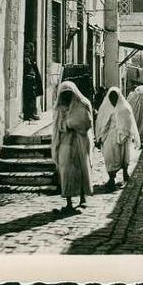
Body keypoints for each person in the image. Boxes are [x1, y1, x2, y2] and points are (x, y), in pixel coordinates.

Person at [52, 80, 94, 213]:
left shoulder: (83, 104)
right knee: (66, 172)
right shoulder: (59, 108)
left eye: (68, 93)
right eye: (63, 94)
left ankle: (83, 198)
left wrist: (70, 123)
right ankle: (69, 201)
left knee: (82, 169)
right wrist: (64, 126)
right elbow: (57, 126)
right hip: (65, 143)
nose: (66, 97)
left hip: (80, 142)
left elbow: (86, 122)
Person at [95, 86, 141, 192]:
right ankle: (111, 178)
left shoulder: (124, 108)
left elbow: (128, 122)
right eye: (111, 97)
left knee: (124, 156)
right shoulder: (105, 108)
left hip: (123, 136)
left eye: (115, 97)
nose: (113, 99)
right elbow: (102, 122)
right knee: (110, 157)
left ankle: (125, 173)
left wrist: (124, 133)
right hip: (110, 137)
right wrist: (100, 136)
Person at [22, 42, 43, 121]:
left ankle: (32, 113)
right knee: (30, 97)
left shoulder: (30, 57)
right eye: (29, 49)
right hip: (29, 79)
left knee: (33, 96)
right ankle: (29, 115)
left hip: (32, 79)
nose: (31, 50)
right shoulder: (26, 58)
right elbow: (28, 68)